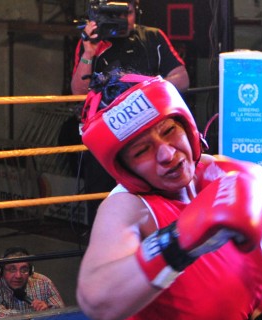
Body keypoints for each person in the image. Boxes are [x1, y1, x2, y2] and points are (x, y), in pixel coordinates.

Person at [76, 72, 262, 320]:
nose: (166, 154)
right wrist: (179, 241)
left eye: (168, 130)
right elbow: (96, 299)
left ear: (187, 126)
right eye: (141, 149)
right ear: (126, 167)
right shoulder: (130, 206)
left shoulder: (222, 177)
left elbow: (252, 269)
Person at [71, 0, 190, 228]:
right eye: (112, 14)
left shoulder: (153, 37)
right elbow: (78, 91)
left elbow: (182, 77)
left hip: (150, 135)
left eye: (127, 13)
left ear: (137, 13)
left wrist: (148, 93)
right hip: (106, 138)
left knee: (154, 199)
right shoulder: (93, 41)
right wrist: (88, 51)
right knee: (102, 203)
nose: (121, 20)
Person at [0, 247, 65, 318]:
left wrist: (47, 309)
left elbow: (62, 313)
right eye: (12, 269)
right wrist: (36, 314)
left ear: (31, 271)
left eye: (24, 270)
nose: (18, 276)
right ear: (1, 271)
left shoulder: (44, 282)